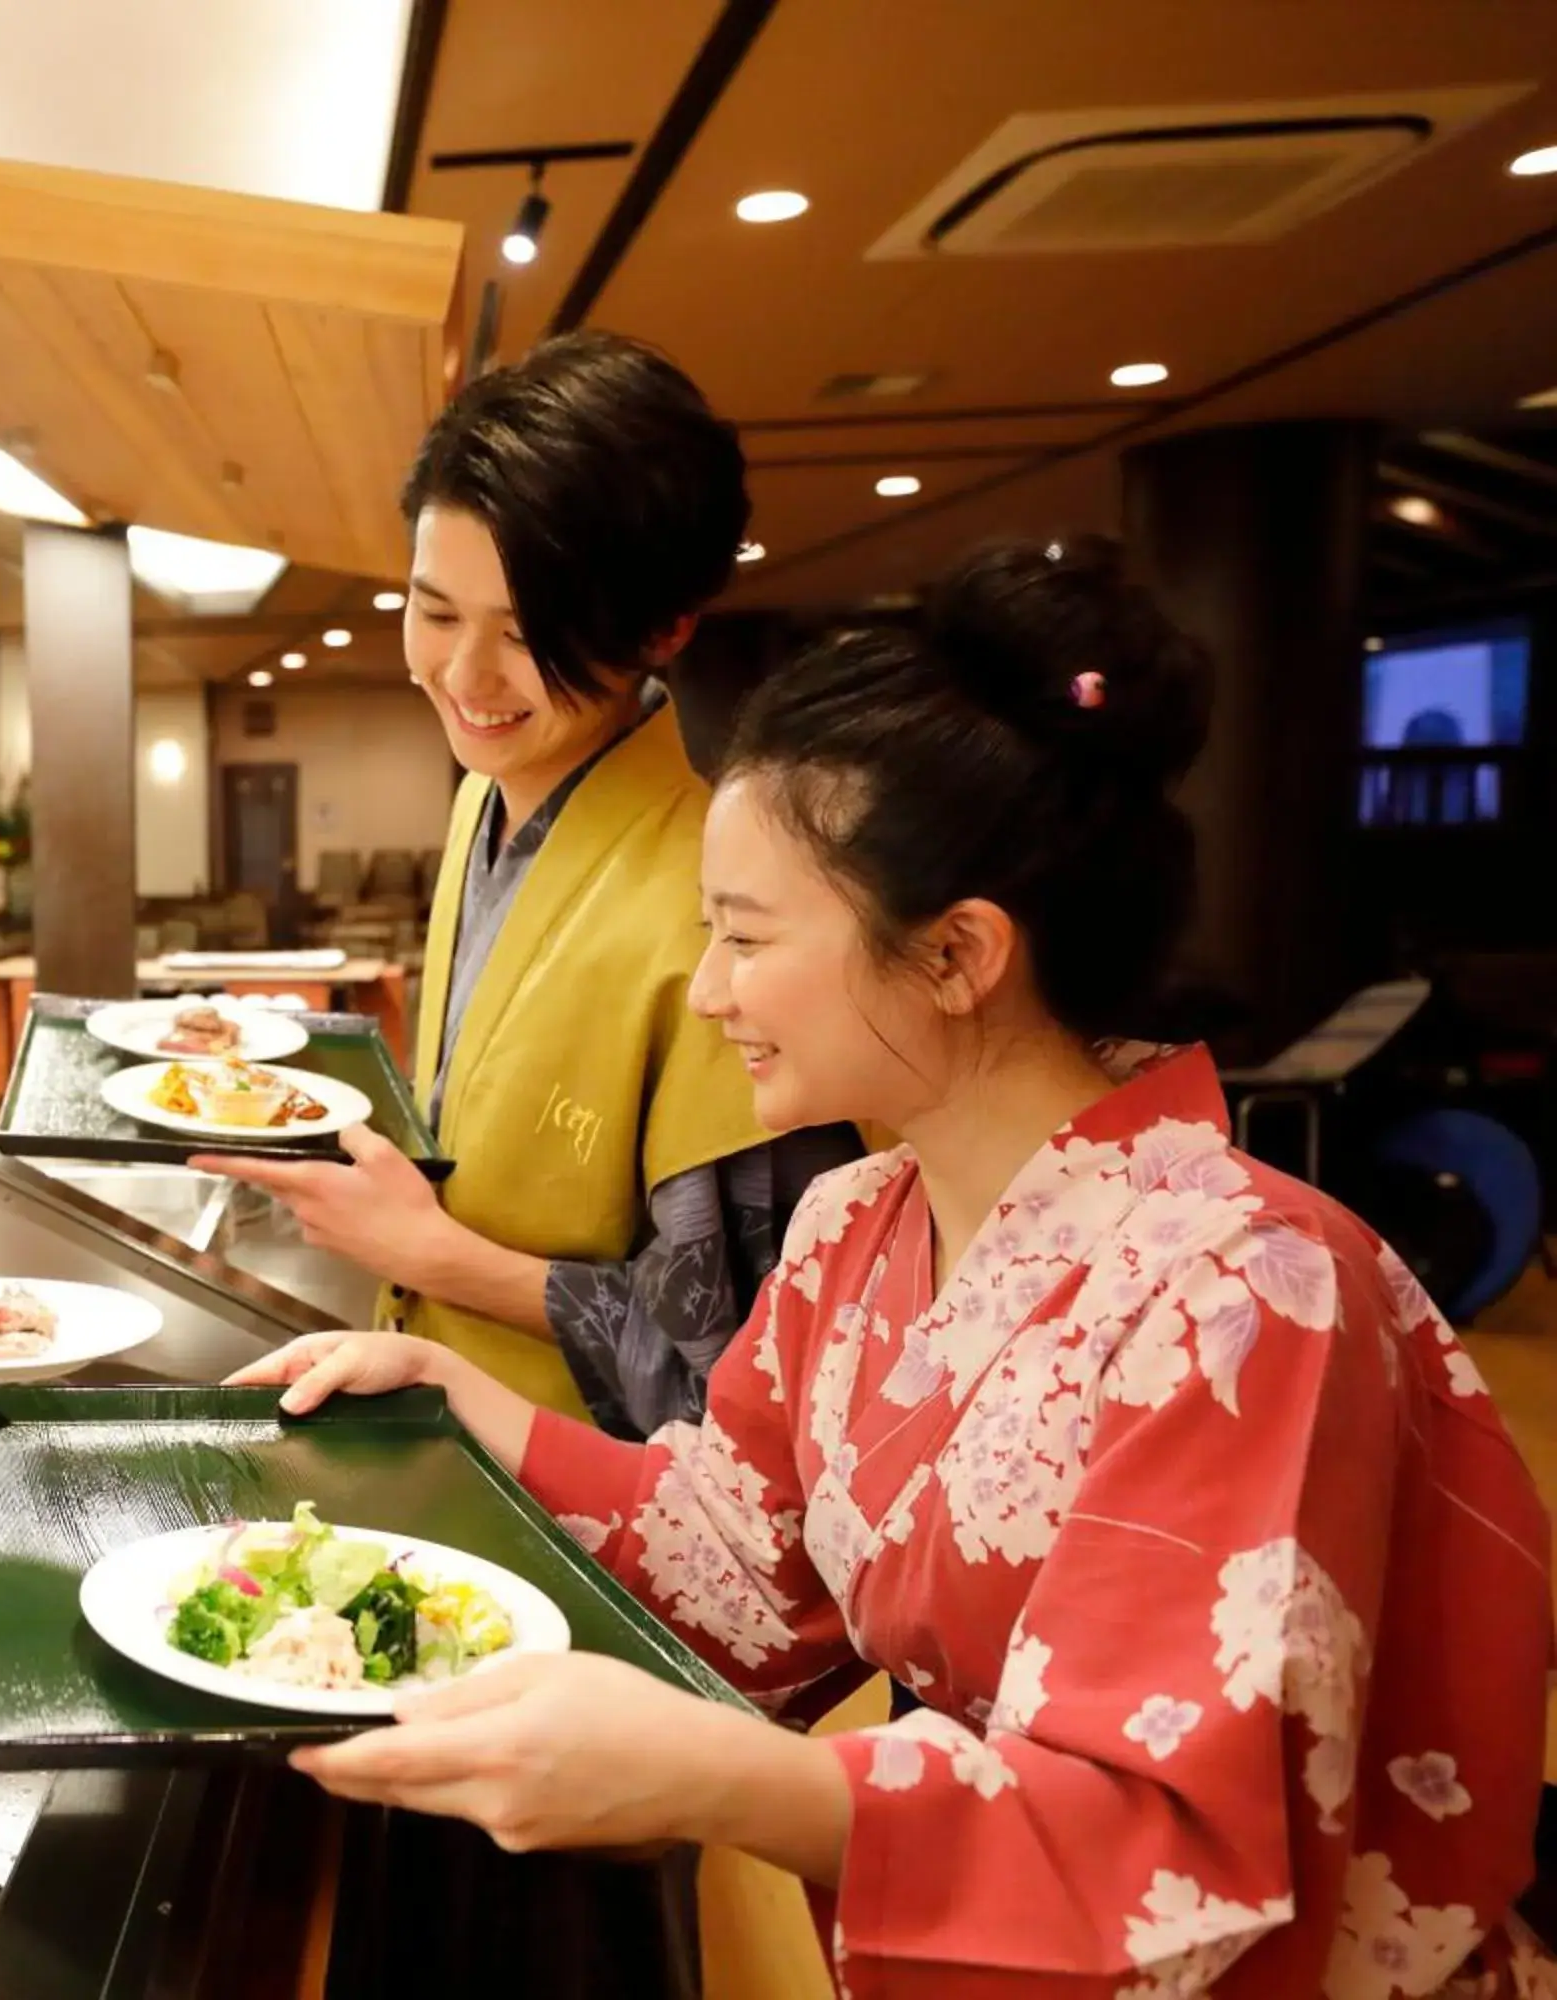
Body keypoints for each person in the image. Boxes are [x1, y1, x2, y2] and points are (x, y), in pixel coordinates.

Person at [232, 541, 1553, 1993]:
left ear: (957, 952)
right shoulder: (851, 1225)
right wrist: (450, 1400)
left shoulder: (1245, 1294)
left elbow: (1171, 1848)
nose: (712, 990)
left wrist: (730, 1786)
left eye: (744, 937)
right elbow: (737, 1558)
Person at [204, 332, 852, 1438]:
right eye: (437, 612)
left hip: (597, 1519)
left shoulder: (729, 907)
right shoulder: (483, 802)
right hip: (444, 1442)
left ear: (666, 627)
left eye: (528, 635)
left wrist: (433, 1251)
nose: (464, 678)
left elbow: (742, 1363)